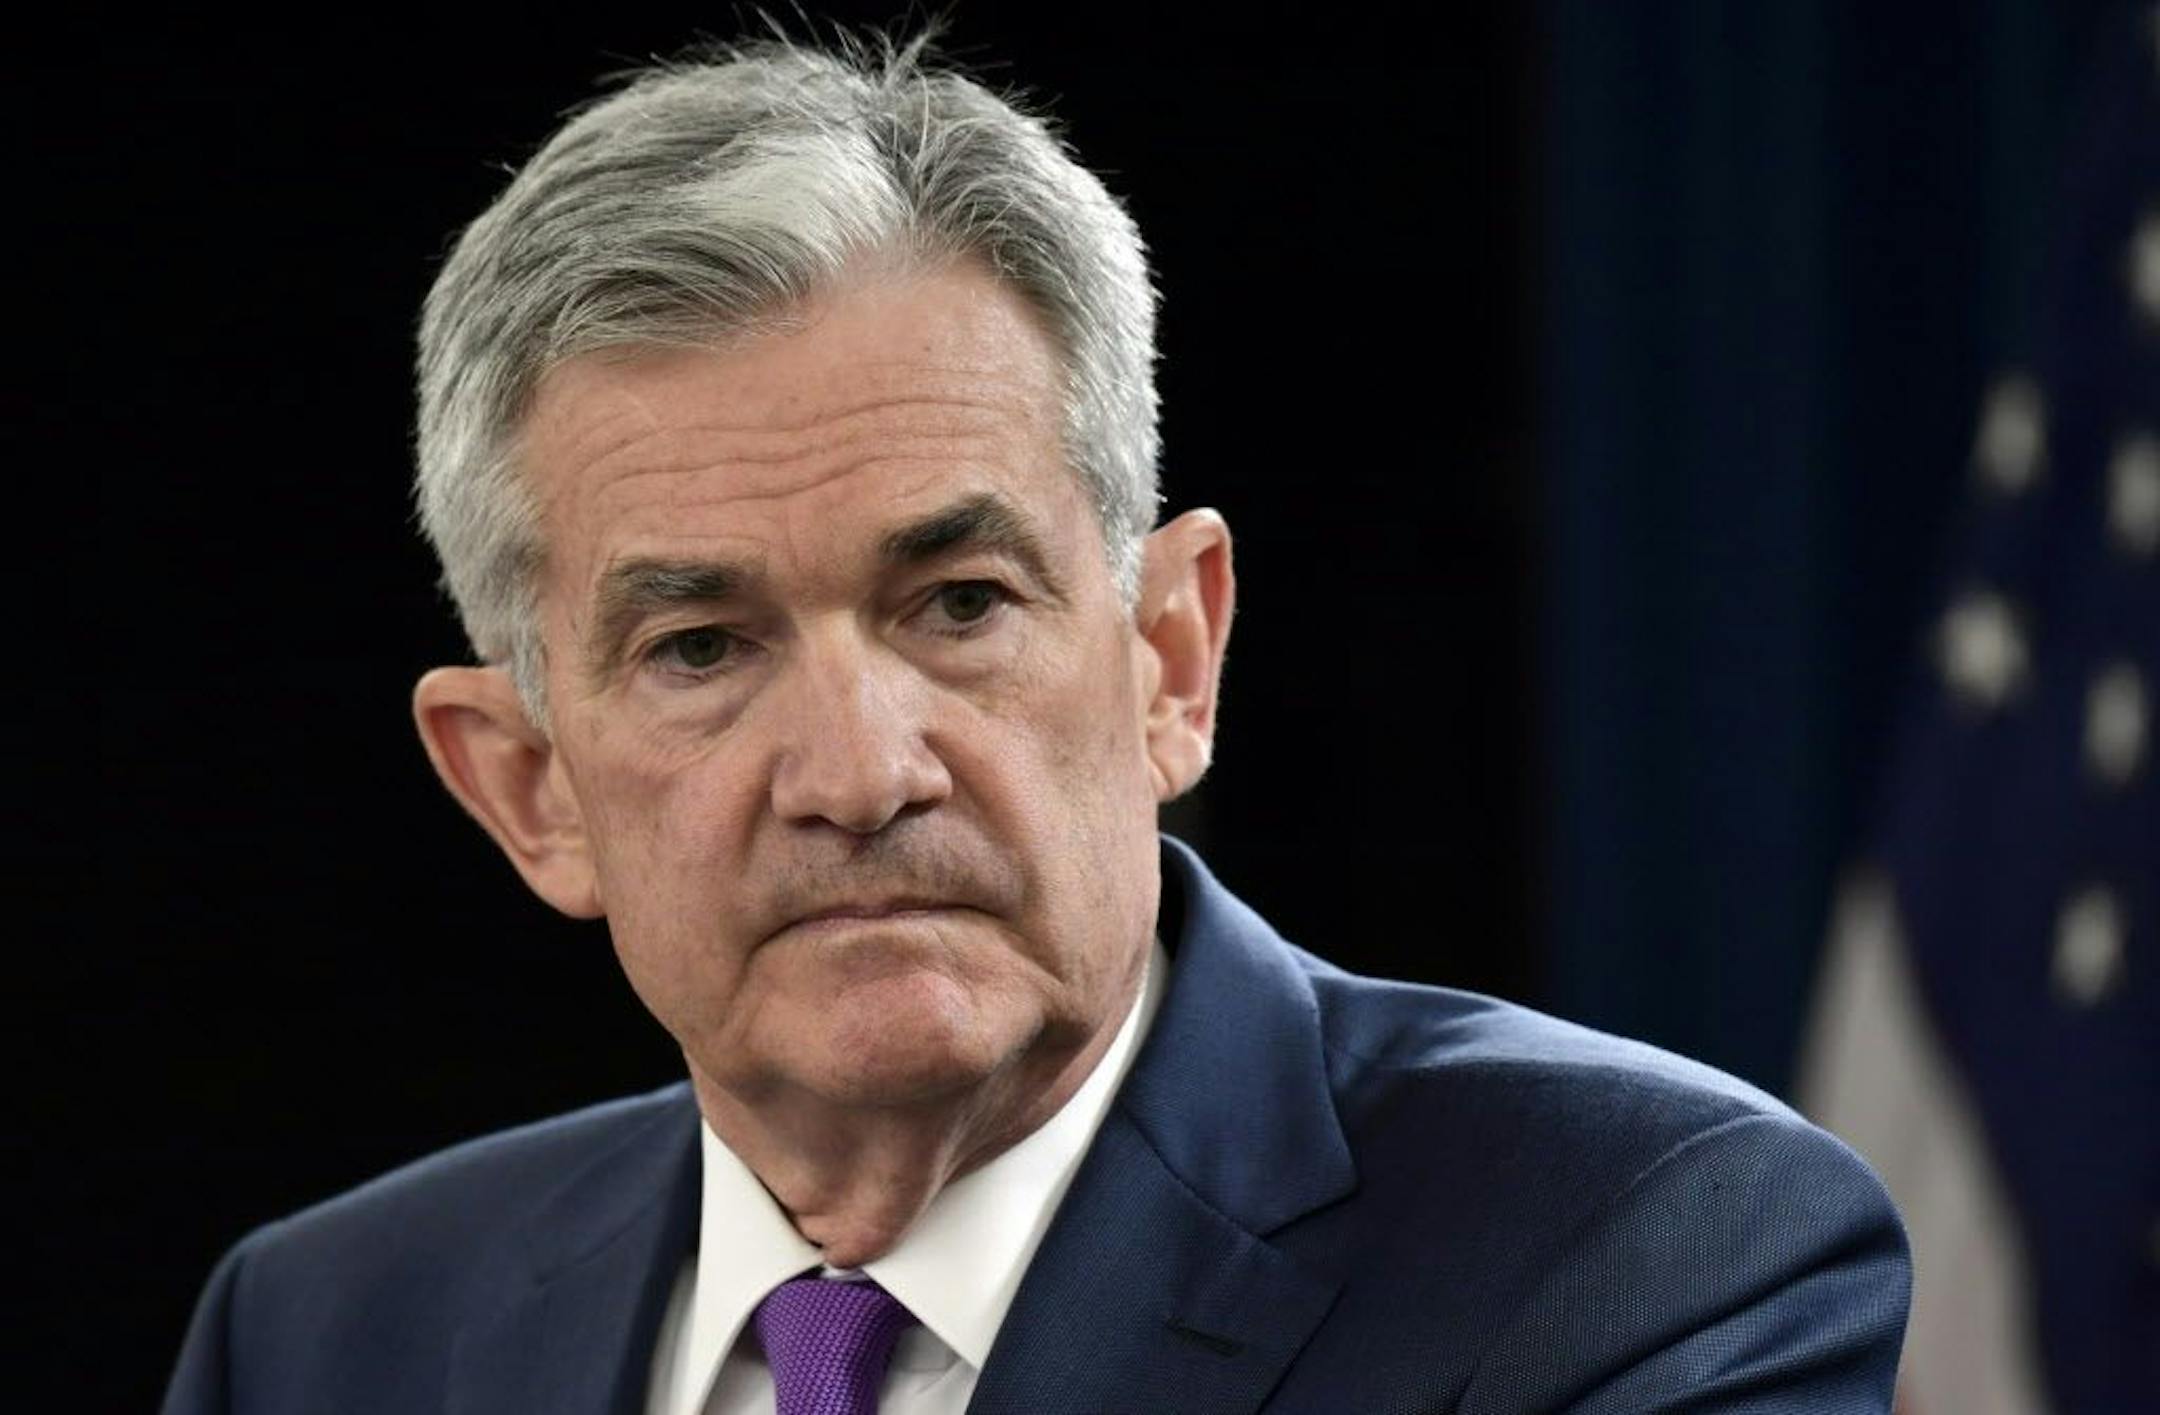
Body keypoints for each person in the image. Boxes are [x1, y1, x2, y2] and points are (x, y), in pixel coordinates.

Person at [162, 32, 1910, 1415]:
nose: (858, 776)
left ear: (1167, 658)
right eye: (700, 647)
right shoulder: (329, 1335)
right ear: (527, 789)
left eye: (961, 606)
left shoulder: (1636, 1253)